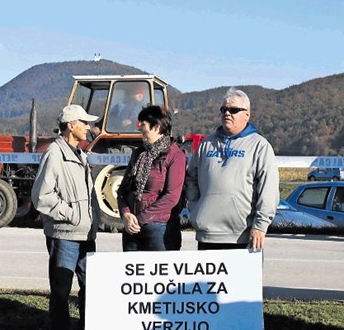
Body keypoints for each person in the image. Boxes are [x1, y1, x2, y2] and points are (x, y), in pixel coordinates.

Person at [31, 104, 101, 330]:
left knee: (90, 289)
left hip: (86, 235)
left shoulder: (80, 155)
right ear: (71, 126)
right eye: (84, 123)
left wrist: (92, 220)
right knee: (61, 293)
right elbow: (41, 196)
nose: (89, 127)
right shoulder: (54, 154)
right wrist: (71, 215)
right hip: (65, 235)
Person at [186, 88, 279, 251]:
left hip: (243, 235)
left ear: (247, 115)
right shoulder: (206, 145)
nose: (227, 113)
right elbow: (190, 178)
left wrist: (260, 225)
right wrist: (195, 209)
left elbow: (269, 189)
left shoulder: (260, 146)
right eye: (224, 109)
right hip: (207, 234)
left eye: (234, 110)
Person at [116, 106, 186, 251]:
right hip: (132, 229)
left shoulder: (175, 155)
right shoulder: (138, 154)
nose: (139, 128)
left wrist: (140, 219)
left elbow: (171, 197)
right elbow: (123, 189)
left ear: (157, 126)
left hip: (159, 229)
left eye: (143, 124)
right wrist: (126, 214)